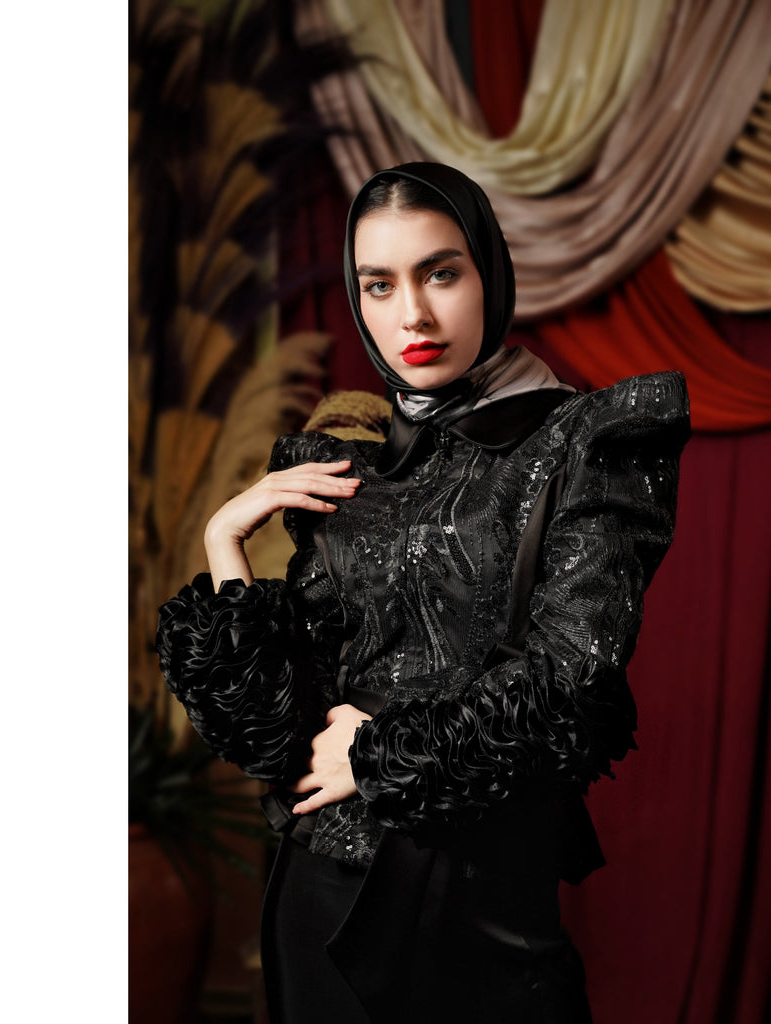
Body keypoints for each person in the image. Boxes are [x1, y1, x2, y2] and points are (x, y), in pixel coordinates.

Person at [156, 161, 690, 1024]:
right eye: (380, 284)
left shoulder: (587, 444)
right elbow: (273, 735)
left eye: (440, 273)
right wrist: (225, 542)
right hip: (317, 894)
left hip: (476, 911)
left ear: (490, 272)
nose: (412, 314)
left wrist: (375, 752)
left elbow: (573, 685)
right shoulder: (347, 466)